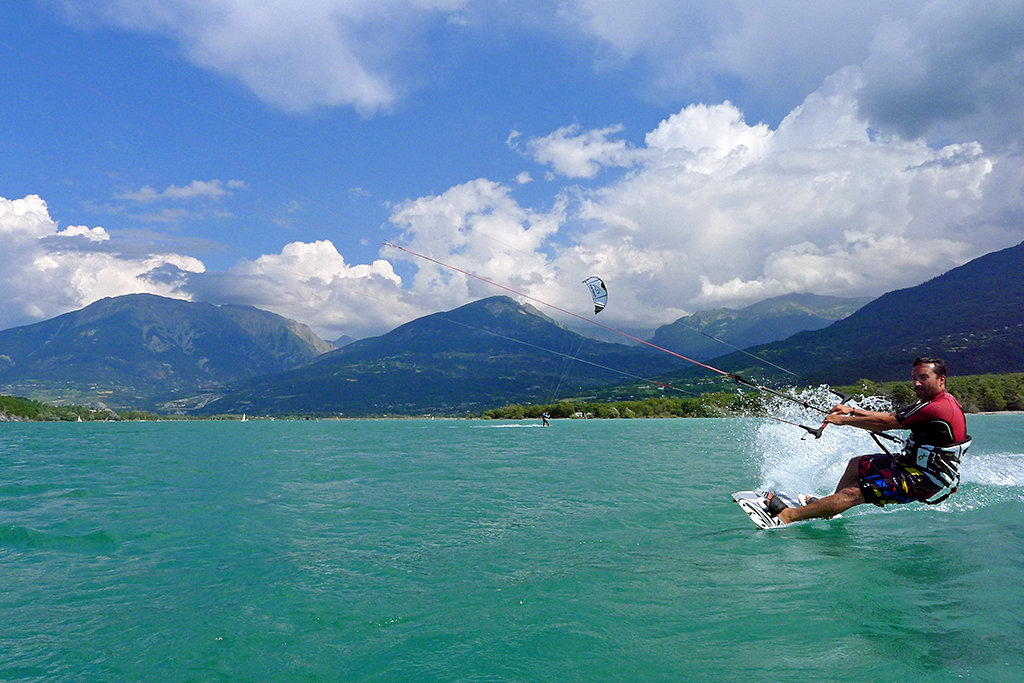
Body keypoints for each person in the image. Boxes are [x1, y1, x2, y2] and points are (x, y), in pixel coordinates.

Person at [766, 357, 970, 525]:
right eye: (914, 378)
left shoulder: (937, 407)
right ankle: (830, 508)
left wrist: (844, 421)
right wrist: (852, 410)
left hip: (925, 478)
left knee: (854, 492)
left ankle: (788, 516)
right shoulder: (931, 402)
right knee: (856, 465)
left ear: (941, 379)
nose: (917, 383)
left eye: (923, 378)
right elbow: (890, 415)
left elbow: (885, 423)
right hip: (911, 465)